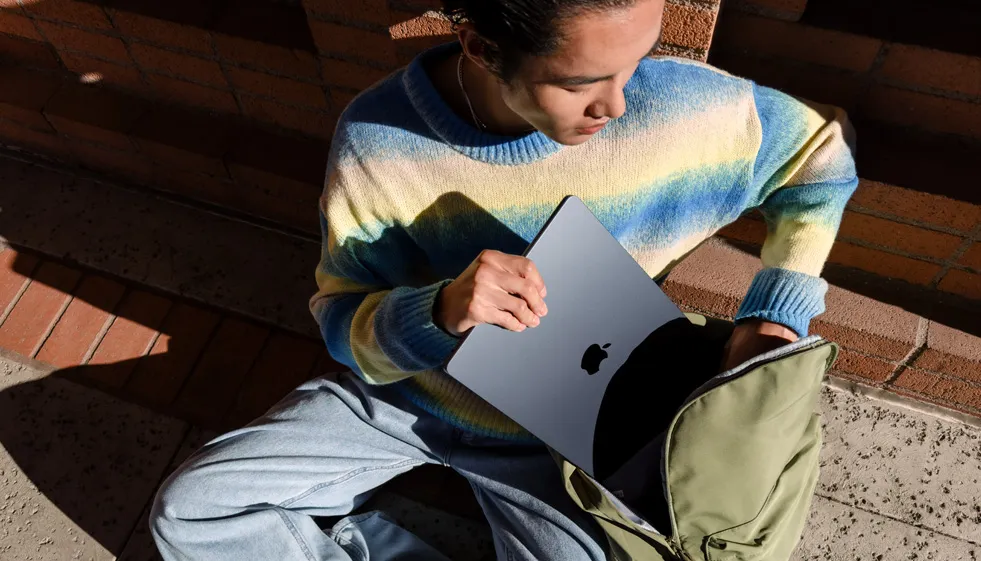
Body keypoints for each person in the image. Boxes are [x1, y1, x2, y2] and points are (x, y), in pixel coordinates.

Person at [149, 0, 858, 559]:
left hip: (560, 442)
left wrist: (774, 312)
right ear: (484, 48)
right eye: (580, 81)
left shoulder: (681, 108)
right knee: (192, 510)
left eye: (636, 60)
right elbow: (341, 323)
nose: (614, 106)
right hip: (406, 404)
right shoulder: (378, 139)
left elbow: (822, 157)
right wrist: (437, 313)